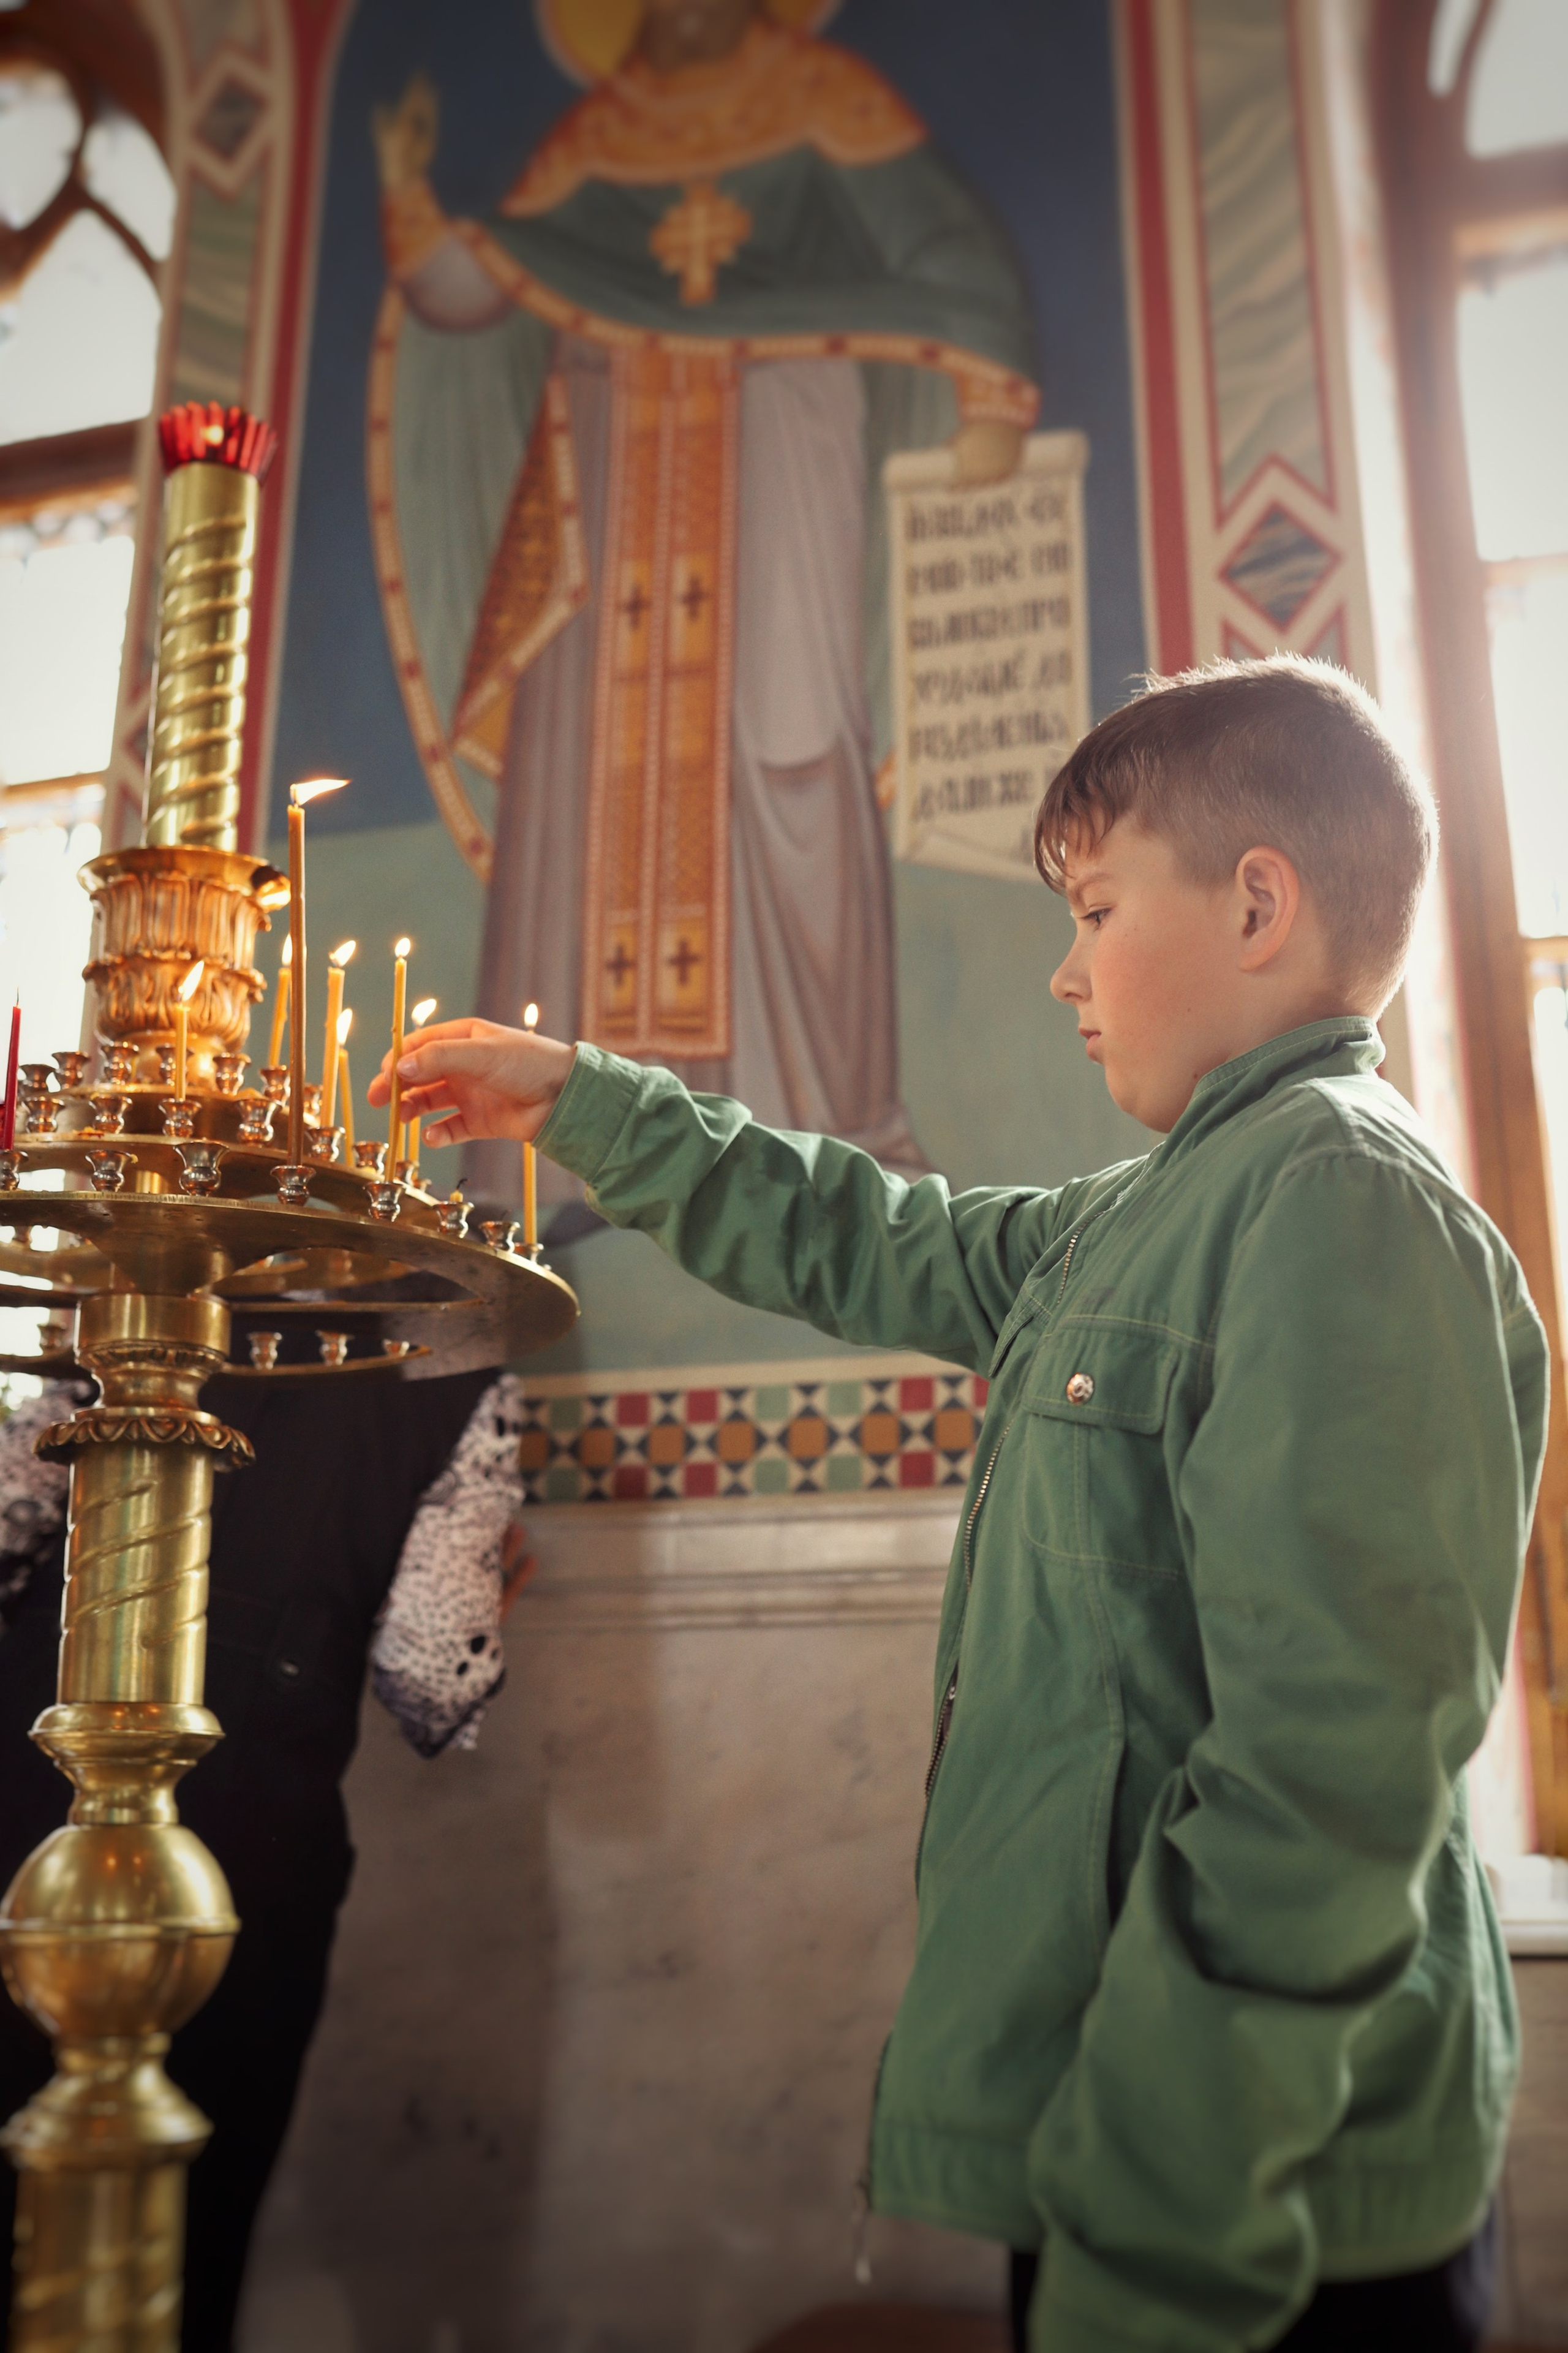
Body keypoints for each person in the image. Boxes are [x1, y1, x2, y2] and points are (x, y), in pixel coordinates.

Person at [375, 654, 1544, 2353]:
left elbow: (1325, 1784)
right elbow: (868, 1232)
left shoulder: (1343, 1206)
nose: (1064, 971)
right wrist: (584, 1103)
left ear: (1259, 905)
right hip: (1120, 2151)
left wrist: (1156, 2228)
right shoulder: (1145, 1210)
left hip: (1251, 2201)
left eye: (1091, 906)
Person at [369, 0, 1041, 1211]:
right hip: (619, 470)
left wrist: (989, 396)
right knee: (590, 783)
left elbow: (960, 263)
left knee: (788, 752)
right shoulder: (594, 139)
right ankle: (552, 1163)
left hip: (776, 443)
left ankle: (828, 1130)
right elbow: (487, 282)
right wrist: (411, 205)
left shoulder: (826, 105)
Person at [0, 1361, 531, 2351]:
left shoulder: (130, 1309)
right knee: (184, 2220)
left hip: (30, 1797)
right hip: (243, 1837)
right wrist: (492, 1599)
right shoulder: (457, 1363)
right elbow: (429, 1670)